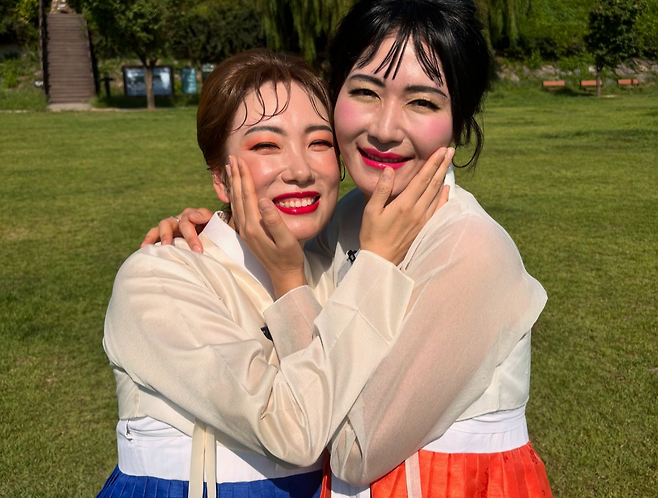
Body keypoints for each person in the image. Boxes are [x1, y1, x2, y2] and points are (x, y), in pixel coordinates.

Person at [145, 0, 553, 496]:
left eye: (422, 102)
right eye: (365, 92)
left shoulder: (469, 247)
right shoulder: (344, 219)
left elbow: (350, 450)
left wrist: (291, 284)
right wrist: (219, 230)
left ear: (459, 123)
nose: (384, 129)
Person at [98, 48, 451, 498]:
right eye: (266, 145)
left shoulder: (338, 267)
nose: (301, 170)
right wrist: (362, 270)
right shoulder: (158, 278)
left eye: (319, 143)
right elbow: (294, 434)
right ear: (220, 177)